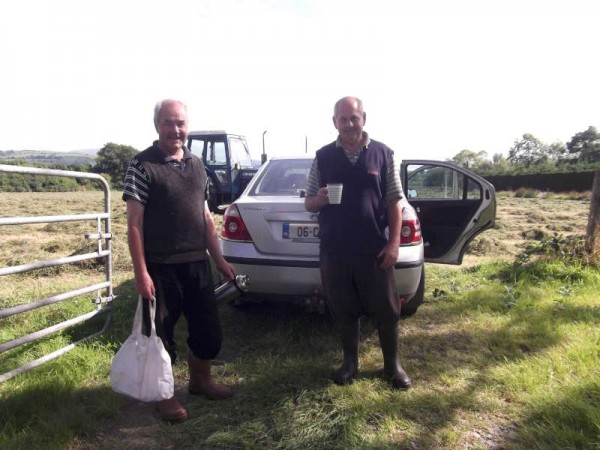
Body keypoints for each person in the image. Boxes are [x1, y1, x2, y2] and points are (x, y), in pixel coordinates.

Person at [122, 99, 236, 422]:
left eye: (181, 123)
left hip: (196, 263)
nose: (176, 130)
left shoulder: (197, 165)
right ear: (157, 125)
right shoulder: (141, 166)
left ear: (188, 126)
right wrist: (141, 272)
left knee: (208, 330)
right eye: (169, 123)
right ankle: (165, 395)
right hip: (160, 266)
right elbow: (133, 225)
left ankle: (201, 380)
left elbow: (206, 219)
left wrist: (220, 260)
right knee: (162, 334)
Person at [304, 96, 411, 390]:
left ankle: (393, 367)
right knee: (343, 307)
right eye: (343, 119)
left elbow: (394, 203)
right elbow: (309, 203)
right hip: (335, 249)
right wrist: (320, 199)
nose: (349, 124)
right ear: (334, 122)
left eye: (354, 118)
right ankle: (350, 364)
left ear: (364, 118)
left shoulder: (383, 154)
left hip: (373, 248)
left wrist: (393, 245)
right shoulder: (323, 156)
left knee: (387, 309)